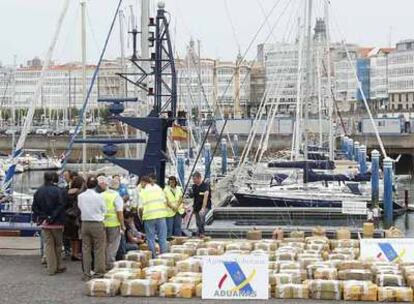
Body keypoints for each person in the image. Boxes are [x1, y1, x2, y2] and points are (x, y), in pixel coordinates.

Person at [32, 172, 67, 275]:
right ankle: (59, 265)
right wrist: (52, 216)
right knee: (58, 244)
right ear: (53, 178)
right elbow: (61, 205)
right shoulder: (58, 191)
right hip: (57, 222)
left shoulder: (39, 191)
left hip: (44, 222)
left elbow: (34, 207)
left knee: (48, 245)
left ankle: (51, 268)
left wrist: (44, 216)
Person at [77, 176, 106, 280]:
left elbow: (80, 207)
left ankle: (86, 273)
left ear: (86, 184)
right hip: (97, 223)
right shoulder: (100, 196)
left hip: (85, 223)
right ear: (96, 185)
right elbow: (104, 209)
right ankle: (99, 272)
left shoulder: (80, 196)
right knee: (99, 249)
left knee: (86, 249)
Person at [139, 175, 169, 258]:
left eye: (141, 183)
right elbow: (165, 202)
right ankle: (164, 257)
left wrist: (142, 218)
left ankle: (153, 257)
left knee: (150, 239)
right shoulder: (159, 189)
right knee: (162, 238)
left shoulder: (143, 192)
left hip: (149, 217)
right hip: (161, 216)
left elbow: (140, 208)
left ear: (144, 182)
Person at [102, 177, 125, 269]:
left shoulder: (102, 194)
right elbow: (119, 212)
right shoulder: (116, 196)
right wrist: (122, 225)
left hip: (103, 223)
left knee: (104, 244)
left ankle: (102, 263)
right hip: (114, 223)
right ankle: (110, 264)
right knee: (113, 245)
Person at [63, 175, 85, 261]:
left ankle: (73, 252)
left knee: (72, 237)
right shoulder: (79, 193)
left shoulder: (67, 192)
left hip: (67, 216)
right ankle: (75, 254)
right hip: (75, 216)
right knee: (76, 237)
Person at [191, 171, 211, 238]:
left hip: (205, 205)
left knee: (201, 219)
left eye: (195, 179)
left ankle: (202, 234)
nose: (194, 181)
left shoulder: (205, 186)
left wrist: (203, 208)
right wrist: (193, 207)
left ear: (199, 178)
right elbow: (194, 197)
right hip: (196, 206)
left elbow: (205, 197)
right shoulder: (194, 186)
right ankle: (199, 234)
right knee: (197, 221)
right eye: (193, 179)